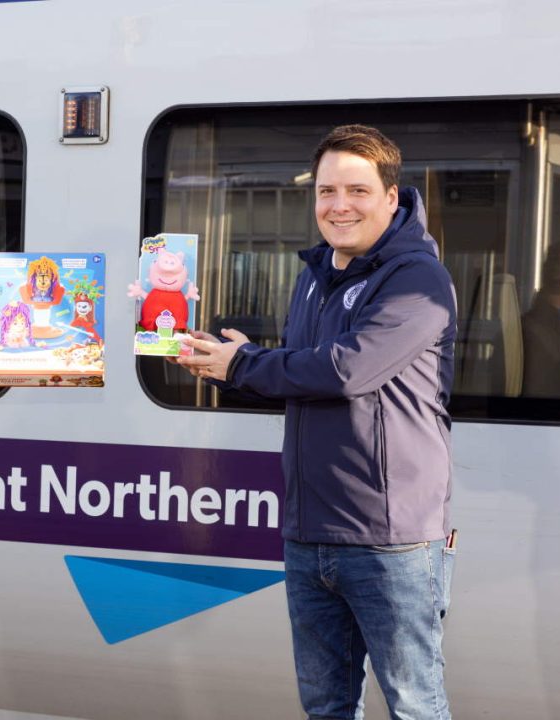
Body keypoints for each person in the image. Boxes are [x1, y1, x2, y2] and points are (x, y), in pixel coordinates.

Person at [178, 125, 457, 719]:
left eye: (357, 190)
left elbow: (346, 371)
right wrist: (228, 361)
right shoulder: (315, 275)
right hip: (309, 533)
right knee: (326, 707)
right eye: (326, 190)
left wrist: (245, 364)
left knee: (414, 706)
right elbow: (302, 375)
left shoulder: (417, 279)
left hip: (391, 539)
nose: (339, 205)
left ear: (390, 196)